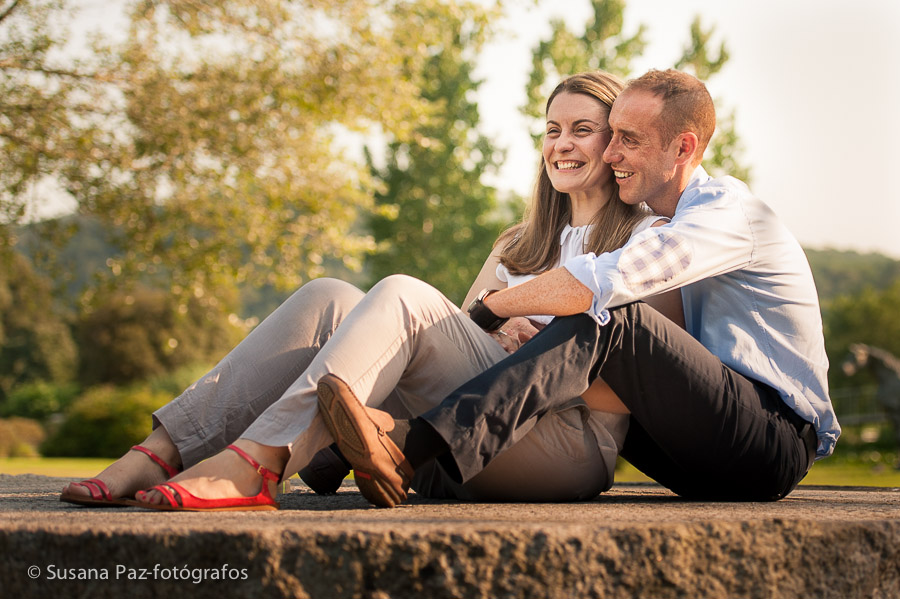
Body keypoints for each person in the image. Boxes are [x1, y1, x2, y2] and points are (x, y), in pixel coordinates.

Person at [60, 71, 681, 511]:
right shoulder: (517, 244)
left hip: (562, 444)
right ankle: (162, 450)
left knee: (404, 293)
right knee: (327, 295)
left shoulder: (647, 241)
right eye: (552, 130)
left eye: (583, 129)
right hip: (460, 428)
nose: (562, 144)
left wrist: (539, 346)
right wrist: (495, 330)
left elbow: (646, 379)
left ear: (616, 141)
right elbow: (461, 336)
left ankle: (260, 462)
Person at [324, 69, 840, 507]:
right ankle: (331, 451)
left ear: (683, 147)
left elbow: (602, 282)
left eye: (628, 139)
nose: (610, 153)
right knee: (594, 333)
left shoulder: (726, 214)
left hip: (769, 439)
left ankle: (412, 447)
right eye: (610, 137)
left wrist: (491, 308)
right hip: (686, 443)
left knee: (616, 316)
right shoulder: (658, 222)